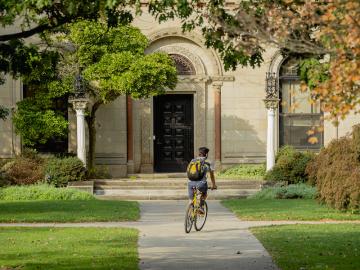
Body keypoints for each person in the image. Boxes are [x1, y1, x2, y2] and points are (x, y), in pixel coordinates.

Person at [187, 147, 217, 213]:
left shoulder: (193, 161)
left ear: (199, 153)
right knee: (204, 194)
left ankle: (189, 213)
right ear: (206, 154)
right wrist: (214, 185)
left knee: (191, 199)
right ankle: (200, 207)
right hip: (201, 183)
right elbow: (212, 175)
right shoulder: (208, 162)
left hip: (190, 183)